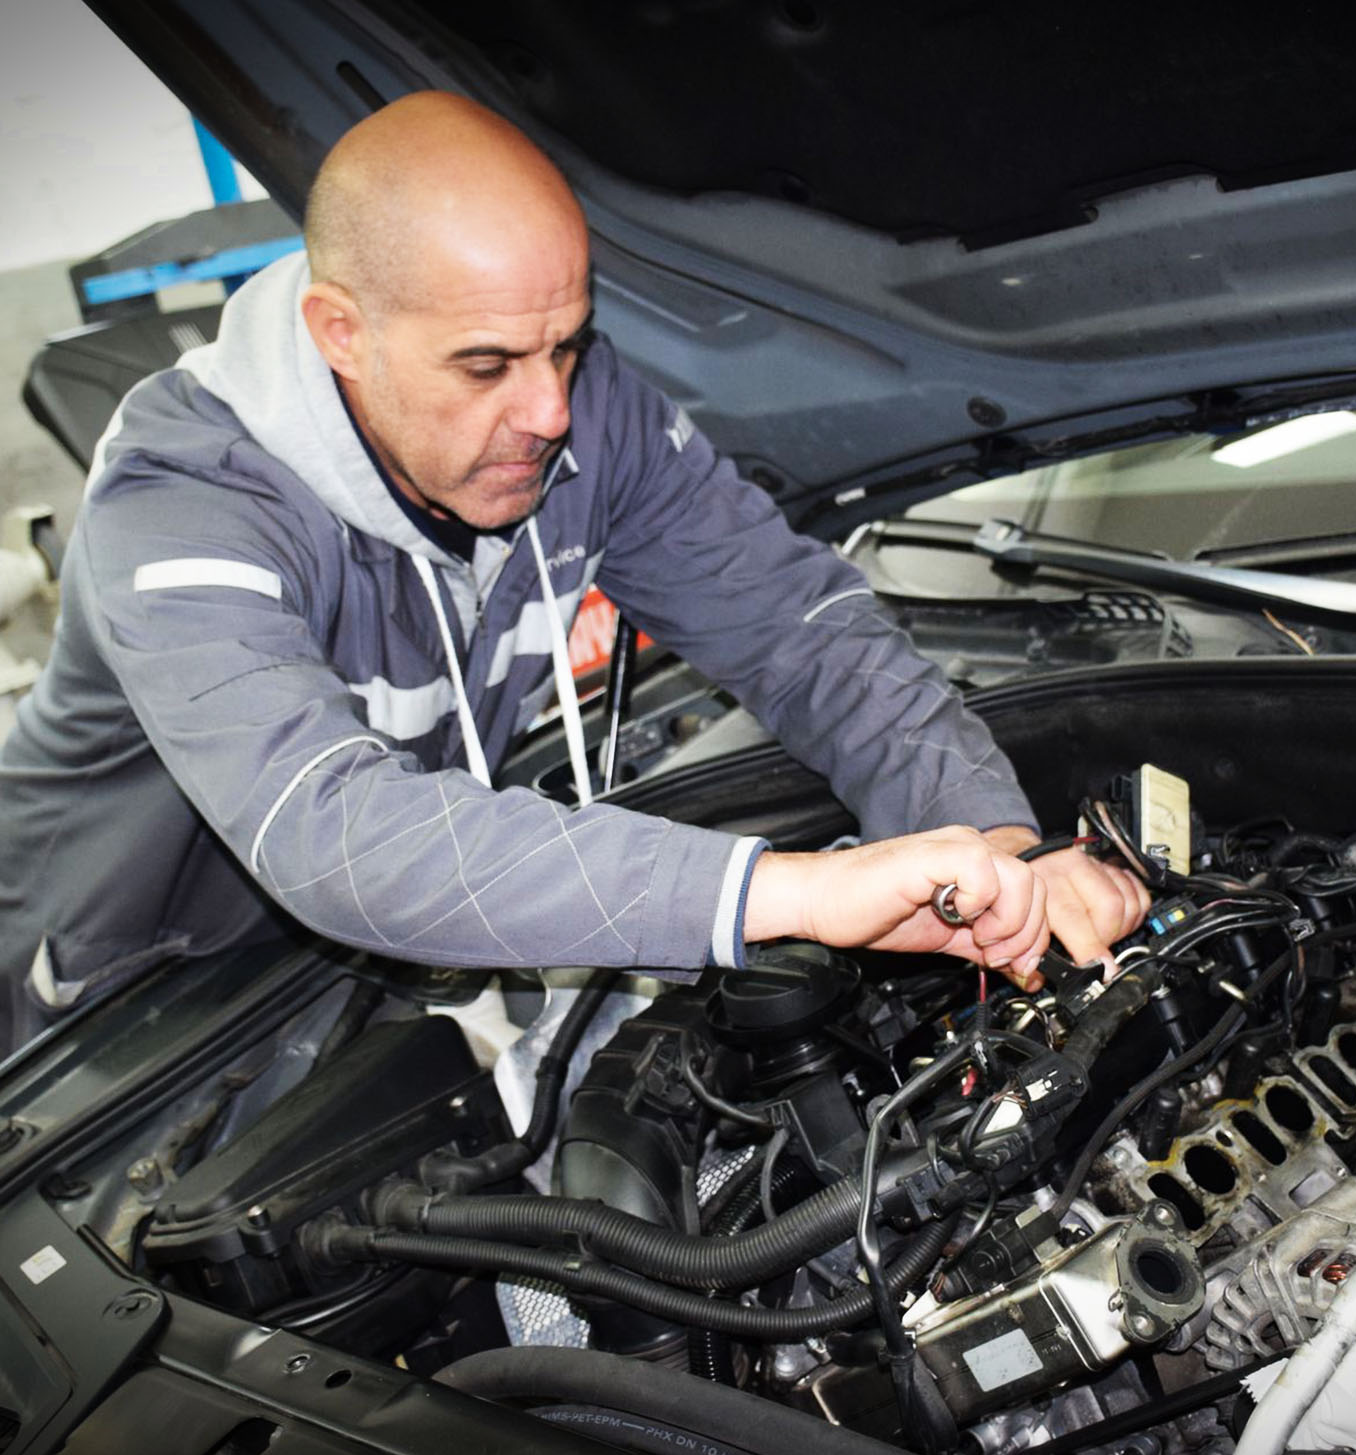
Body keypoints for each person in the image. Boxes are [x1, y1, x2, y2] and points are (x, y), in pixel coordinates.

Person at [0, 92, 1146, 1048]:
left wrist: (994, 844)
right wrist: (794, 891)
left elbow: (802, 628)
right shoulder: (181, 499)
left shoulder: (587, 414)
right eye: (487, 363)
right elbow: (327, 827)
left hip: (358, 984)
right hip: (99, 1032)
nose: (548, 412)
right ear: (339, 330)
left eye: (566, 344)